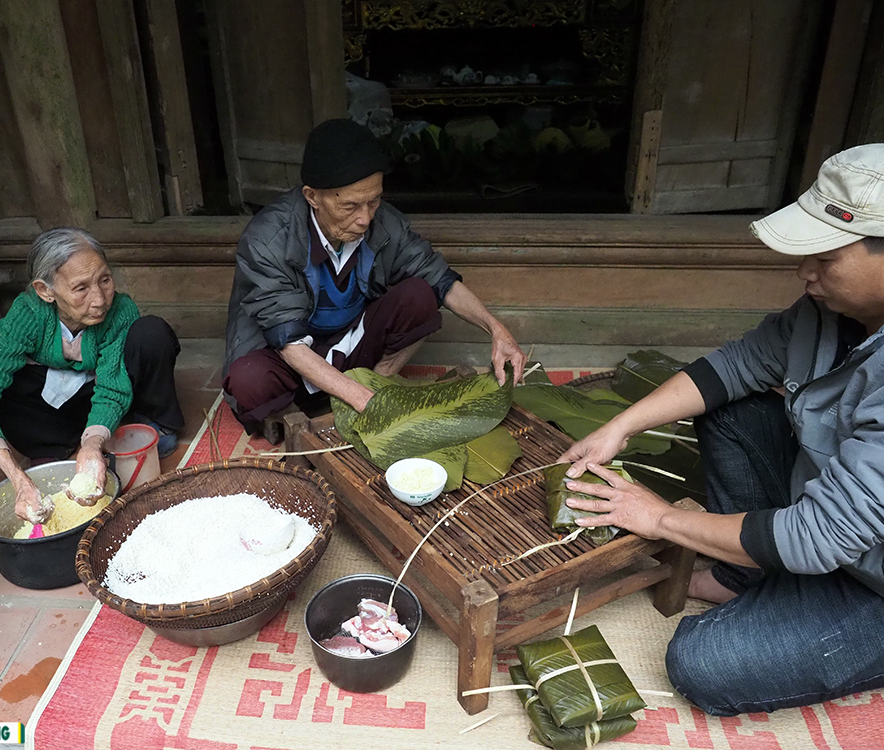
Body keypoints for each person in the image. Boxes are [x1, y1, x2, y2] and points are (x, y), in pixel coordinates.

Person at [558, 144, 884, 716]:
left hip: (869, 573)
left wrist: (658, 518)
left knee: (705, 662)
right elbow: (735, 368)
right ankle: (745, 574)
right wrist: (622, 425)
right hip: (831, 513)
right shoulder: (826, 312)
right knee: (731, 409)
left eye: (825, 258)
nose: (804, 272)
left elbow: (820, 535)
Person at [223, 118, 527, 434]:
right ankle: (295, 417)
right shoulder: (268, 239)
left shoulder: (384, 223)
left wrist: (495, 328)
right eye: (351, 206)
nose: (365, 218)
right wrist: (362, 399)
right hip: (291, 357)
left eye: (374, 200)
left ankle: (376, 384)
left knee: (420, 295)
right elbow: (290, 344)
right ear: (313, 196)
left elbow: (440, 279)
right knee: (249, 378)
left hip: (351, 348)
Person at [0, 227, 184, 522]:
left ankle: (144, 426)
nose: (100, 299)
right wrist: (17, 478)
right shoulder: (29, 313)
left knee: (151, 334)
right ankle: (54, 446)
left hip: (96, 394)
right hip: (54, 402)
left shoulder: (120, 310)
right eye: (81, 288)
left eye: (105, 280)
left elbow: (113, 386)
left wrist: (92, 444)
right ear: (45, 291)